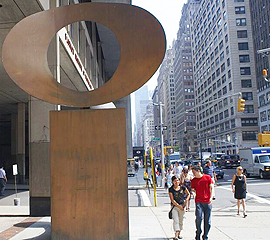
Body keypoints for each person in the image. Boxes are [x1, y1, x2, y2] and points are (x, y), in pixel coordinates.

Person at [191, 166, 214, 240]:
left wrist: (211, 196)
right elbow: (193, 189)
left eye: (194, 172)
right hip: (199, 201)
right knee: (199, 217)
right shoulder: (194, 180)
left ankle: (205, 235)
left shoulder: (207, 178)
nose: (193, 174)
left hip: (207, 201)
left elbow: (212, 187)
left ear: (198, 171)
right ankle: (198, 232)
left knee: (207, 221)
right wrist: (194, 194)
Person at [169, 176, 190, 240]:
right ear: (172, 182)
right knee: (176, 220)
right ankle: (176, 234)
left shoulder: (182, 187)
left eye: (177, 181)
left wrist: (186, 200)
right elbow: (172, 200)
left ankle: (179, 234)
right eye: (175, 181)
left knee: (181, 220)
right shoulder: (171, 189)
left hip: (182, 206)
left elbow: (188, 194)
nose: (176, 182)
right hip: (175, 206)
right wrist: (178, 206)